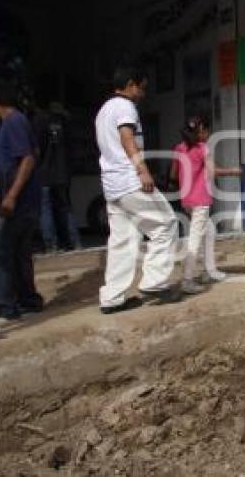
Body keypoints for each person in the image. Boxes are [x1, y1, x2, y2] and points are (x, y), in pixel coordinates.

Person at [96, 65, 180, 314]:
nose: (143, 94)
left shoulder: (103, 110)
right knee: (166, 224)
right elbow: (126, 138)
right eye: (142, 88)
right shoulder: (124, 107)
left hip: (112, 185)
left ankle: (112, 298)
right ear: (131, 84)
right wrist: (142, 169)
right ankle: (155, 282)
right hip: (130, 180)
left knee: (123, 240)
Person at [0, 81, 43, 320]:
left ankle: (4, 304)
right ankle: (27, 299)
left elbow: (28, 158)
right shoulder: (18, 121)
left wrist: (11, 195)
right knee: (20, 251)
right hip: (26, 199)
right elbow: (35, 153)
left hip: (18, 201)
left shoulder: (12, 122)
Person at [169, 116, 241, 294]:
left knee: (209, 231)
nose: (207, 134)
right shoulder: (202, 148)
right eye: (206, 130)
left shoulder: (179, 148)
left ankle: (209, 271)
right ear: (201, 132)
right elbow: (212, 171)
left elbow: (173, 174)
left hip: (187, 200)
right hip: (200, 200)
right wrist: (233, 171)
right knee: (195, 239)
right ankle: (187, 280)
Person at [34, 101, 82, 252]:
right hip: (62, 172)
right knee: (65, 207)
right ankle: (74, 241)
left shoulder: (39, 121)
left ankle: (51, 244)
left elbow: (37, 149)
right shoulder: (64, 121)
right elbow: (71, 148)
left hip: (44, 172)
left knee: (45, 209)